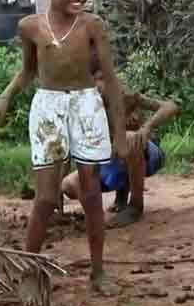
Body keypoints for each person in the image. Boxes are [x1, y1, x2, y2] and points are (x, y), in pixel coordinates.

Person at [0, 0, 128, 296]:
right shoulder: (30, 26)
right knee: (45, 197)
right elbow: (28, 70)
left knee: (91, 193)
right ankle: (30, 272)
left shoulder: (93, 26)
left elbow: (110, 78)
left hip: (87, 106)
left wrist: (119, 132)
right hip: (48, 108)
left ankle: (98, 271)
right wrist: (4, 99)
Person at [61, 64, 179, 228]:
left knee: (128, 139)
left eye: (102, 79)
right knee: (68, 184)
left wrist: (147, 128)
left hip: (147, 155)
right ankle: (99, 215)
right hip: (110, 165)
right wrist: (57, 203)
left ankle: (135, 206)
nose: (97, 85)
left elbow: (170, 106)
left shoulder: (126, 97)